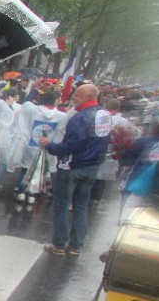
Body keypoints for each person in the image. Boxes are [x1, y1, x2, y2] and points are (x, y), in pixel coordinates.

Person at [41, 83, 112, 256]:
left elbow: (70, 146)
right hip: (92, 167)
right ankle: (76, 246)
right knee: (81, 206)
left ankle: (59, 244)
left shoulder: (79, 118)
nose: (74, 96)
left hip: (71, 167)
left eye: (78, 94)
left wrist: (49, 145)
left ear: (90, 97)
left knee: (62, 205)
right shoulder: (105, 115)